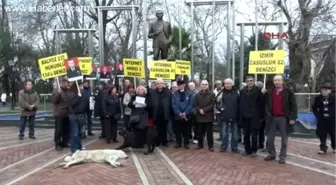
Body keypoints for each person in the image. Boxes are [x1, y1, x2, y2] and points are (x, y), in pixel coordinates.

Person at [264, 75, 297, 164]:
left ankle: (282, 156)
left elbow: (294, 105)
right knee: (269, 139)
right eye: (275, 80)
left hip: (284, 118)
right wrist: (262, 93)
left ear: (282, 81)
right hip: (272, 118)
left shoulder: (288, 91)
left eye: (278, 80)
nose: (277, 82)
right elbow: (263, 102)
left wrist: (293, 117)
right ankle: (272, 153)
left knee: (284, 140)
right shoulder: (270, 92)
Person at [239, 75, 264, 157]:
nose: (249, 82)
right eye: (248, 81)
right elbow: (240, 103)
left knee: (254, 135)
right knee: (246, 134)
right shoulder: (242, 91)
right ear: (246, 82)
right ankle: (247, 150)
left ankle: (254, 150)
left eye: (251, 81)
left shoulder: (258, 91)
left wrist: (261, 117)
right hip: (245, 116)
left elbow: (262, 105)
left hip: (254, 116)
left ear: (253, 82)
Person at [312, 82, 336, 154]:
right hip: (322, 119)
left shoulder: (334, 98)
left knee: (334, 133)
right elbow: (314, 108)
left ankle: (334, 146)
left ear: (329, 91)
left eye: (326, 90)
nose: (324, 91)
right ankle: (323, 147)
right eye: (322, 90)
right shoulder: (318, 98)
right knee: (321, 133)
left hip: (333, 119)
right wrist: (318, 115)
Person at [218, 78, 240, 153]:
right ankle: (224, 146)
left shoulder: (237, 92)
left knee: (235, 134)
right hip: (225, 116)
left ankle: (234, 147)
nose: (227, 85)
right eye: (225, 83)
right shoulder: (221, 92)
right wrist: (220, 109)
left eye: (228, 83)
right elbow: (216, 101)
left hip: (235, 115)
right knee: (224, 133)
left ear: (232, 84)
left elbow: (241, 102)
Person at [194, 80, 215, 152]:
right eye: (203, 84)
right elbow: (196, 105)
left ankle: (210, 146)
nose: (204, 86)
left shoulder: (212, 94)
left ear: (208, 85)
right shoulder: (197, 95)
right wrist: (199, 110)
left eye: (206, 84)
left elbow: (212, 104)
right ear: (200, 85)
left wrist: (204, 110)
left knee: (209, 133)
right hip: (199, 116)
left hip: (208, 116)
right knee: (200, 132)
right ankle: (200, 145)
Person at [171, 80, 194, 149]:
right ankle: (178, 143)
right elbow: (173, 105)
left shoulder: (189, 94)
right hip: (177, 115)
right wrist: (179, 113)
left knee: (186, 130)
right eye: (178, 85)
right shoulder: (174, 94)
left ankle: (186, 143)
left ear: (184, 85)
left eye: (181, 85)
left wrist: (185, 113)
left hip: (186, 115)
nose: (180, 86)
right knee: (177, 130)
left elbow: (191, 104)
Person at [52, 78, 71, 151]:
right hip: (59, 113)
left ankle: (65, 142)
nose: (68, 84)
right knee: (59, 130)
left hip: (67, 113)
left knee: (66, 130)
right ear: (62, 83)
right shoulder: (57, 90)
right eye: (66, 83)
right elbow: (54, 101)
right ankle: (58, 144)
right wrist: (58, 94)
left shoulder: (68, 91)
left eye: (68, 83)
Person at [151, 78, 171, 147]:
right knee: (157, 129)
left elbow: (170, 103)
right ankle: (157, 142)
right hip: (156, 114)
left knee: (164, 129)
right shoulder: (152, 92)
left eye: (161, 83)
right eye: (158, 83)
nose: (159, 85)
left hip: (165, 114)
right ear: (156, 85)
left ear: (163, 84)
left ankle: (164, 142)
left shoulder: (168, 92)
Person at [68, 82, 86, 153]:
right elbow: (72, 104)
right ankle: (74, 148)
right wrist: (78, 97)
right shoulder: (72, 94)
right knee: (75, 132)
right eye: (80, 86)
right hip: (74, 115)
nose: (82, 87)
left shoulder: (80, 93)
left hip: (80, 114)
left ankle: (79, 146)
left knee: (79, 132)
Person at [255, 81, 267, 150]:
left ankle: (260, 144)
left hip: (262, 115)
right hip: (258, 115)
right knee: (259, 131)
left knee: (260, 131)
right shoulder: (257, 94)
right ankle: (259, 144)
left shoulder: (264, 94)